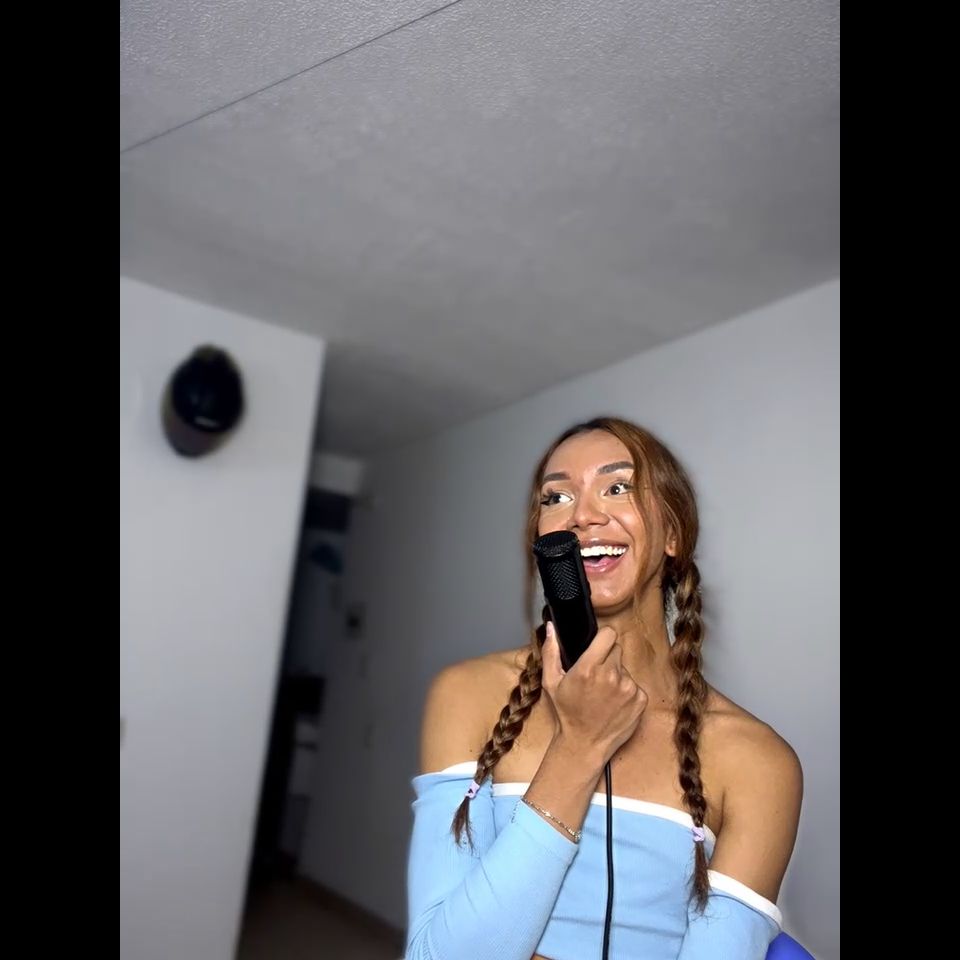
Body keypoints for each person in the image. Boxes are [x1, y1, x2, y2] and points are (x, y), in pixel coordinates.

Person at [405, 417, 804, 960]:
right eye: (557, 497)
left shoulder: (759, 761)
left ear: (673, 534)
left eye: (618, 488)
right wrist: (580, 747)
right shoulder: (467, 696)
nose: (583, 515)